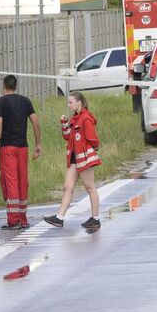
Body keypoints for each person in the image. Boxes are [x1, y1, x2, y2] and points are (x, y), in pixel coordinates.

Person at [44, 92, 102, 229]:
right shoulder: (74, 118)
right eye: (68, 102)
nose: (69, 105)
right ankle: (59, 218)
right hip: (74, 159)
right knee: (67, 187)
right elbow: (67, 136)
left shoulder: (86, 118)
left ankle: (95, 218)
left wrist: (90, 152)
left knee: (90, 187)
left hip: (84, 159)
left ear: (79, 103)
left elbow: (93, 139)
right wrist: (64, 123)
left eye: (71, 102)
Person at [0, 75, 42, 230]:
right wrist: (38, 144)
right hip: (23, 147)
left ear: (4, 85)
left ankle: (13, 220)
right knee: (22, 180)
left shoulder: (0, 102)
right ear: (15, 86)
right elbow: (35, 122)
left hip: (7, 147)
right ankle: (23, 218)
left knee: (10, 181)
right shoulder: (25, 101)